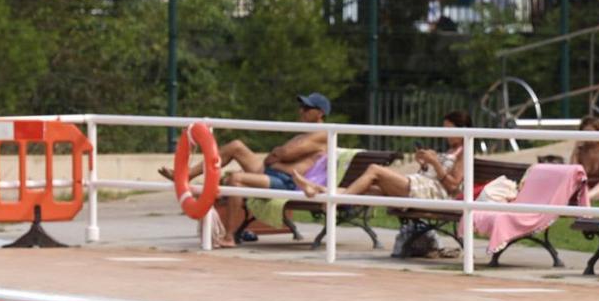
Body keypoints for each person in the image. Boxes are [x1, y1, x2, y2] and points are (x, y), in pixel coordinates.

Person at [161, 92, 332, 246]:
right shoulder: (304, 132)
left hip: (287, 181)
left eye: (307, 108)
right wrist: (278, 157)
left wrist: (278, 157)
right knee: (235, 146)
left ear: (320, 113)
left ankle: (230, 236)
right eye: (301, 107)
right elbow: (278, 155)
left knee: (236, 179)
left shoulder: (322, 133)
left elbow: (285, 153)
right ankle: (188, 175)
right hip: (274, 171)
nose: (301, 111)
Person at [294, 110, 471, 202]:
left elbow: (453, 187)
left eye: (449, 129)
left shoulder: (464, 153)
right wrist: (425, 164)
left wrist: (435, 163)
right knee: (369, 188)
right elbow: (432, 174)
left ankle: (338, 203)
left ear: (462, 129)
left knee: (374, 170)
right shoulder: (447, 150)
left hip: (433, 194)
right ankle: (318, 189)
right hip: (421, 185)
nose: (445, 133)